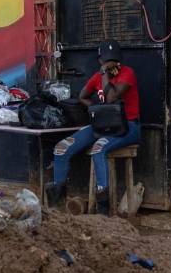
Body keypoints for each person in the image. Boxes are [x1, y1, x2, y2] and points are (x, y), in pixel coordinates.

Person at [46, 40, 141, 214]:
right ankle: (57, 207)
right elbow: (83, 95)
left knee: (99, 149)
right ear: (100, 61)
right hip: (102, 125)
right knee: (61, 148)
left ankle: (102, 209)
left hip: (128, 126)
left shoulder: (128, 73)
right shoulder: (97, 77)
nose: (112, 64)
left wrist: (105, 73)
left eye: (114, 60)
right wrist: (95, 109)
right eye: (107, 60)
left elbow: (111, 97)